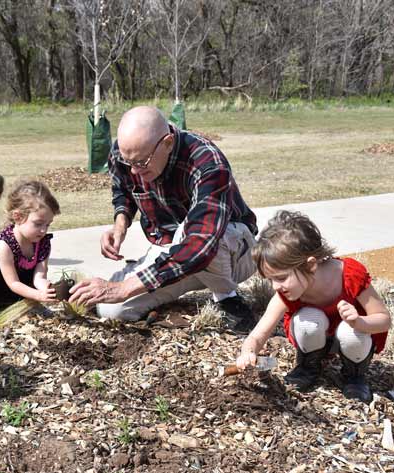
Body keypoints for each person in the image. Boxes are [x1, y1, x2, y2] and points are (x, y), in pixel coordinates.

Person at [69, 106, 258, 331]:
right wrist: (120, 223)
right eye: (127, 162)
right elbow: (123, 188)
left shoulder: (208, 162)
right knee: (112, 310)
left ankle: (228, 299)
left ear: (167, 143)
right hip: (173, 252)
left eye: (141, 163)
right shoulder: (128, 153)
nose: (134, 171)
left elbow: (201, 243)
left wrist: (124, 288)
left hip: (231, 252)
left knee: (189, 232)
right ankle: (187, 279)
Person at [236, 210, 391, 403]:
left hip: (354, 342)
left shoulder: (349, 276)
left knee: (350, 330)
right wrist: (248, 353)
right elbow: (258, 334)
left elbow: (384, 320)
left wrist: (359, 321)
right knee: (307, 319)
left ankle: (354, 375)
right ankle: (308, 367)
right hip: (316, 339)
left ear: (310, 265)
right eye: (270, 280)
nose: (276, 287)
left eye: (281, 278)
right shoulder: (286, 293)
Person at [0, 180, 60, 334]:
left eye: (48, 224)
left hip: (17, 292)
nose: (43, 230)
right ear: (17, 217)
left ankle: (28, 304)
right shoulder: (5, 245)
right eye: (38, 224)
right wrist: (38, 294)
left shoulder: (42, 243)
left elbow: (39, 275)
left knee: (29, 267)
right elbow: (13, 283)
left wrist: (45, 289)